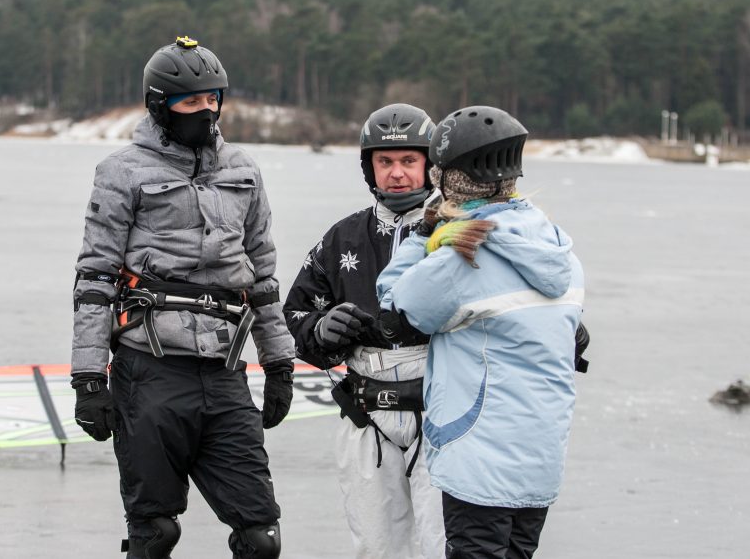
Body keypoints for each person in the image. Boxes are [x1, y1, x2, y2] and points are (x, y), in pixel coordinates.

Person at [70, 36, 295, 559]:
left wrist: (280, 362)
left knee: (261, 537)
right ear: (159, 104)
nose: (206, 110)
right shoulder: (121, 172)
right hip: (148, 374)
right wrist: (87, 378)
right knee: (156, 533)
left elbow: (262, 276)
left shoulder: (244, 170)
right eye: (191, 101)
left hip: (224, 375)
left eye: (213, 98)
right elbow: (95, 278)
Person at [376, 106, 587, 559]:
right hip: (541, 458)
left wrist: (427, 238)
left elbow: (394, 303)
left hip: (479, 459)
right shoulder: (558, 248)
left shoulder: (462, 257)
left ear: (448, 178)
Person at [283, 103, 446, 559]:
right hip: (366, 416)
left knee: (446, 546)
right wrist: (322, 329)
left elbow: (503, 303)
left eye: (409, 161)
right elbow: (293, 316)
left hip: (443, 414)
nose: (397, 173)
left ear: (430, 165)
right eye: (385, 162)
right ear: (368, 167)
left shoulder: (457, 233)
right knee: (376, 549)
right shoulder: (343, 238)